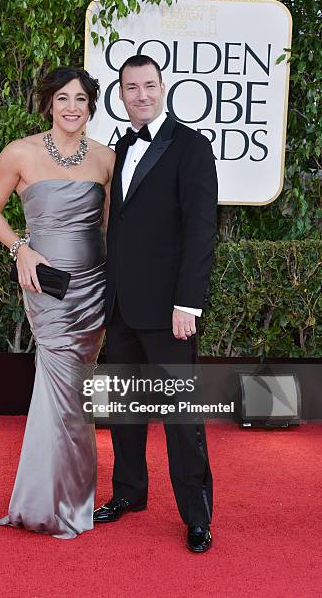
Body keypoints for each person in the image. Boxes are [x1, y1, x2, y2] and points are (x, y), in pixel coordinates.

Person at [0, 67, 115, 538]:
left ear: (91, 106)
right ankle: (58, 504)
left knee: (77, 394)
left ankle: (60, 497)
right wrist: (22, 250)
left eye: (81, 99)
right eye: (63, 98)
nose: (72, 107)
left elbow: (105, 227)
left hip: (93, 287)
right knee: (64, 388)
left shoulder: (106, 159)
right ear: (49, 104)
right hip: (45, 285)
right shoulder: (21, 152)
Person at [93, 55, 218, 553]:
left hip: (170, 310)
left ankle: (197, 516)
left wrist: (189, 303)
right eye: (131, 87)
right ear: (120, 95)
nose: (140, 94)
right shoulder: (120, 148)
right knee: (125, 410)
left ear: (162, 87)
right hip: (120, 306)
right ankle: (128, 495)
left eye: (149, 85)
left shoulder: (191, 147)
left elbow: (202, 231)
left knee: (182, 418)